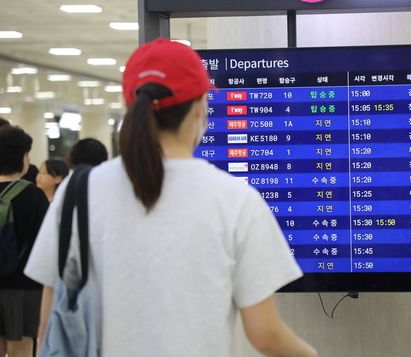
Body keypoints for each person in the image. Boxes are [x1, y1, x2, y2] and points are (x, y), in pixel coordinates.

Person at [25, 38, 317, 357]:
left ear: (130, 105)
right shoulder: (235, 200)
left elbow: (50, 322)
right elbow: (265, 334)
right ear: (199, 107)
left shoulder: (78, 191)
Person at [0, 125, 49, 357]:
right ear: (22, 157)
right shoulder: (33, 195)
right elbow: (46, 242)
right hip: (24, 285)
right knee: (20, 346)